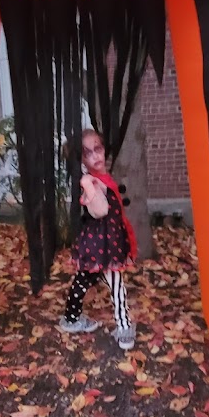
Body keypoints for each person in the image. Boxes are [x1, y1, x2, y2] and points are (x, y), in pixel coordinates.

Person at [59, 129, 137, 351]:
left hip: (99, 242)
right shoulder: (91, 182)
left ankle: (71, 318)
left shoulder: (103, 177)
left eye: (98, 149)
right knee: (116, 284)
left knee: (83, 279)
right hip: (103, 245)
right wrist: (89, 186)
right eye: (87, 153)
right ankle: (124, 329)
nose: (95, 156)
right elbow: (100, 210)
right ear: (82, 160)